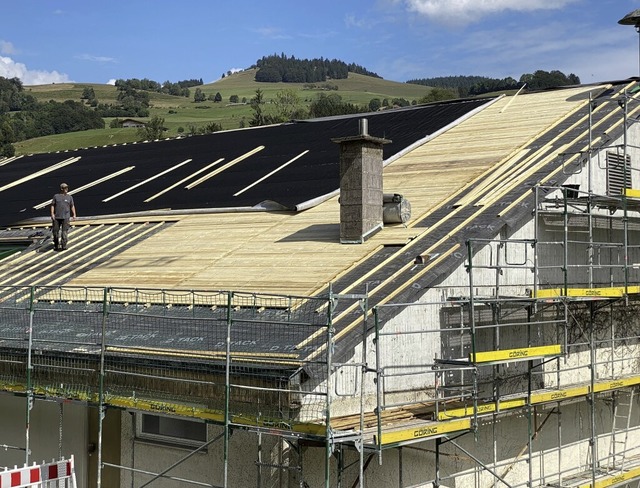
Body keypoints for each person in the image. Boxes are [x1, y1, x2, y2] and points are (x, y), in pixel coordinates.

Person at [50, 183, 76, 251]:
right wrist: (52, 214)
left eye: (67, 188)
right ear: (62, 189)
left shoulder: (69, 197)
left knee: (64, 232)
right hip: (57, 217)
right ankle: (56, 245)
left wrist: (74, 214)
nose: (67, 189)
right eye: (65, 188)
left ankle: (63, 245)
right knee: (55, 232)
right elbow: (52, 205)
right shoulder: (56, 196)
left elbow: (72, 206)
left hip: (66, 217)